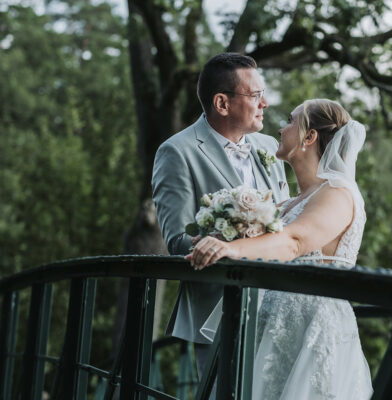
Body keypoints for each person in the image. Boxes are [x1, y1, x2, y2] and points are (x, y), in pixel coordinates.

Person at [187, 99, 374, 399]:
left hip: (309, 331)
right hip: (269, 329)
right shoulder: (288, 203)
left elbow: (294, 241)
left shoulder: (338, 194)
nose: (280, 128)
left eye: (290, 121)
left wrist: (232, 250)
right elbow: (264, 243)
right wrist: (221, 239)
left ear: (309, 137)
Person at [151, 53, 290, 384]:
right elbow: (178, 241)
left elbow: (284, 220)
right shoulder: (176, 152)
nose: (265, 103)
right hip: (218, 310)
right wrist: (239, 238)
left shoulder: (269, 146)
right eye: (255, 95)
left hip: (280, 306)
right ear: (222, 104)